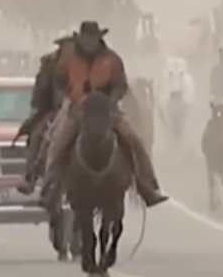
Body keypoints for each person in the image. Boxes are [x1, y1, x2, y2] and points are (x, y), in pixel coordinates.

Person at [40, 21, 169, 209]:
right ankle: (49, 188)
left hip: (106, 110)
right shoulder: (69, 60)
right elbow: (59, 82)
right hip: (76, 108)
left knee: (134, 139)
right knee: (57, 142)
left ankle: (147, 186)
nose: (89, 43)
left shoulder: (112, 60)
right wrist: (71, 98)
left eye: (92, 39)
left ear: (98, 39)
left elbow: (120, 85)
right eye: (86, 39)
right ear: (80, 39)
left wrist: (110, 101)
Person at [16, 40, 70, 194]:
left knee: (125, 133)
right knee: (38, 134)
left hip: (91, 109)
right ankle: (30, 174)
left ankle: (139, 175)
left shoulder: (93, 60)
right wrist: (40, 106)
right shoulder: (50, 63)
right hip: (56, 109)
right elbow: (40, 90)